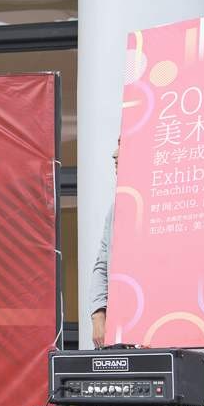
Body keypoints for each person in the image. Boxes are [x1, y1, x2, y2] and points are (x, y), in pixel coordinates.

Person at [88, 143, 119, 349]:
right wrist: (98, 313)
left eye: (122, 145)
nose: (114, 155)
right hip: (120, 332)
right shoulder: (116, 209)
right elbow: (102, 265)